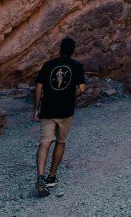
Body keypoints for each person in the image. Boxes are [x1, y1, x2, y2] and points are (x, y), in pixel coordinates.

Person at [33, 37, 86, 197]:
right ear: (73, 50)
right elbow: (82, 88)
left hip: (48, 109)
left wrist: (36, 108)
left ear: (60, 49)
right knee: (60, 141)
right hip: (65, 111)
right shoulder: (77, 66)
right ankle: (51, 176)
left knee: (45, 142)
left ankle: (40, 176)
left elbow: (39, 86)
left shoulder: (48, 65)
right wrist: (71, 96)